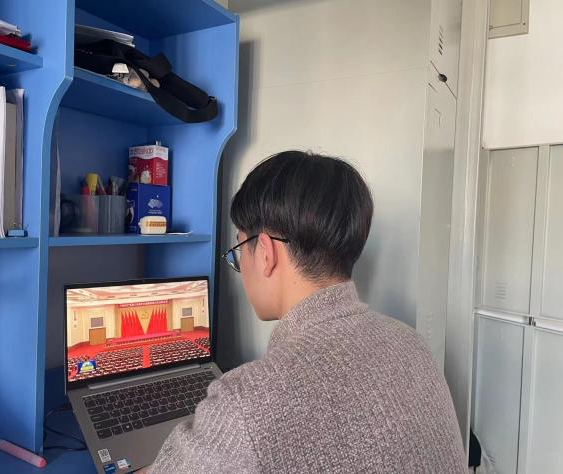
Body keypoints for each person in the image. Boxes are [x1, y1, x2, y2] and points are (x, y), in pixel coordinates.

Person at [148, 150, 466, 473]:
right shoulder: (412, 345)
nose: (240, 265)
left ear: (266, 253)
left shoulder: (246, 404)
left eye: (240, 249)